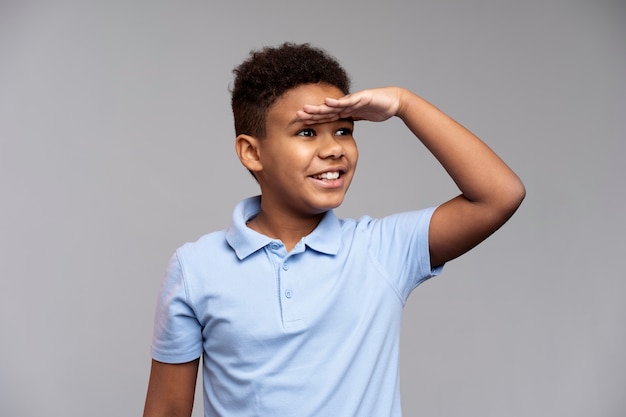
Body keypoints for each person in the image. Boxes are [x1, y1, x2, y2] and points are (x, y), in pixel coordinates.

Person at [143, 42, 525, 417]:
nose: (334, 149)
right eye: (307, 133)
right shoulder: (196, 268)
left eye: (344, 130)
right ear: (252, 152)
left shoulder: (381, 250)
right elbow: (167, 410)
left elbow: (499, 195)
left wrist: (404, 104)